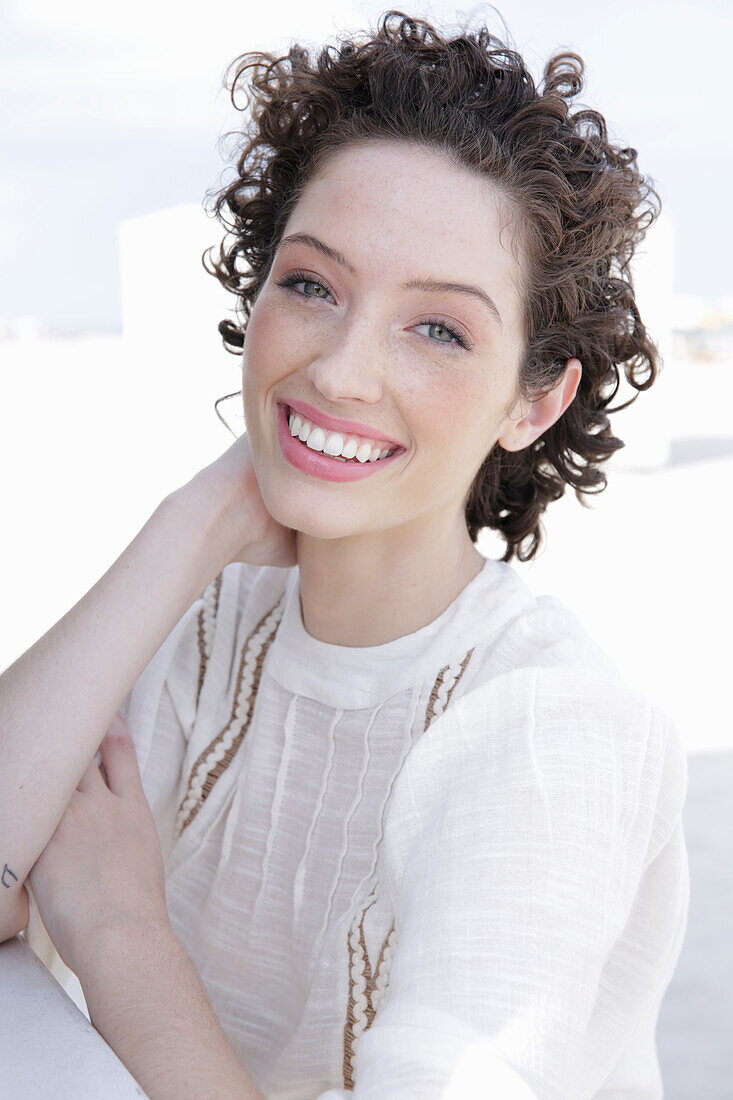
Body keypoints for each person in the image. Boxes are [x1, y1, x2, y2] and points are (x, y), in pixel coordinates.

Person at [1, 10, 688, 1099]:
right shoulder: (211, 623)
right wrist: (196, 517)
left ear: (535, 397)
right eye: (313, 285)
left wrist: (121, 931)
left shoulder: (546, 728)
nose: (339, 371)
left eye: (439, 329)